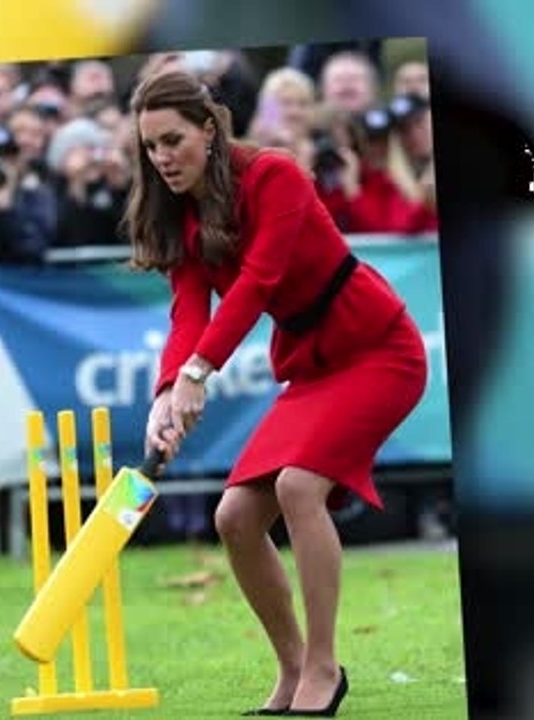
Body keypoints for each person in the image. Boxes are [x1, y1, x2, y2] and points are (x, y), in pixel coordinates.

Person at [125, 69, 427, 717]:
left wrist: (200, 374)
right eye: (150, 147)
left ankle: (324, 668)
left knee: (297, 487)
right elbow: (188, 314)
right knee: (234, 518)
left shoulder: (275, 176)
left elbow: (259, 281)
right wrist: (166, 391)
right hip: (313, 368)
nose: (162, 158)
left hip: (379, 350)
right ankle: (292, 670)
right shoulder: (178, 215)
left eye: (173, 140)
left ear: (209, 129)